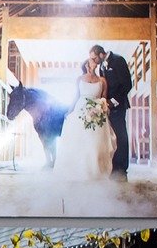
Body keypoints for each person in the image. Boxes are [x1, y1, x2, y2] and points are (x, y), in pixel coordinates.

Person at [53, 55, 116, 182]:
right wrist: (69, 111)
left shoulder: (102, 80)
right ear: (86, 65)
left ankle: (95, 172)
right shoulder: (79, 79)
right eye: (90, 61)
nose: (92, 63)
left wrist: (104, 109)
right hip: (81, 111)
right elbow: (76, 96)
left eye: (93, 61)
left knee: (95, 143)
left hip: (97, 112)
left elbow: (104, 97)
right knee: (80, 141)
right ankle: (79, 171)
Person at [93, 44, 135, 179]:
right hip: (107, 107)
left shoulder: (118, 60)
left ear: (100, 54)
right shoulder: (101, 67)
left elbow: (127, 84)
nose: (93, 61)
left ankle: (122, 169)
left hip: (119, 106)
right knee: (110, 136)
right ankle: (112, 167)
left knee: (121, 136)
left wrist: (113, 102)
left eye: (94, 58)